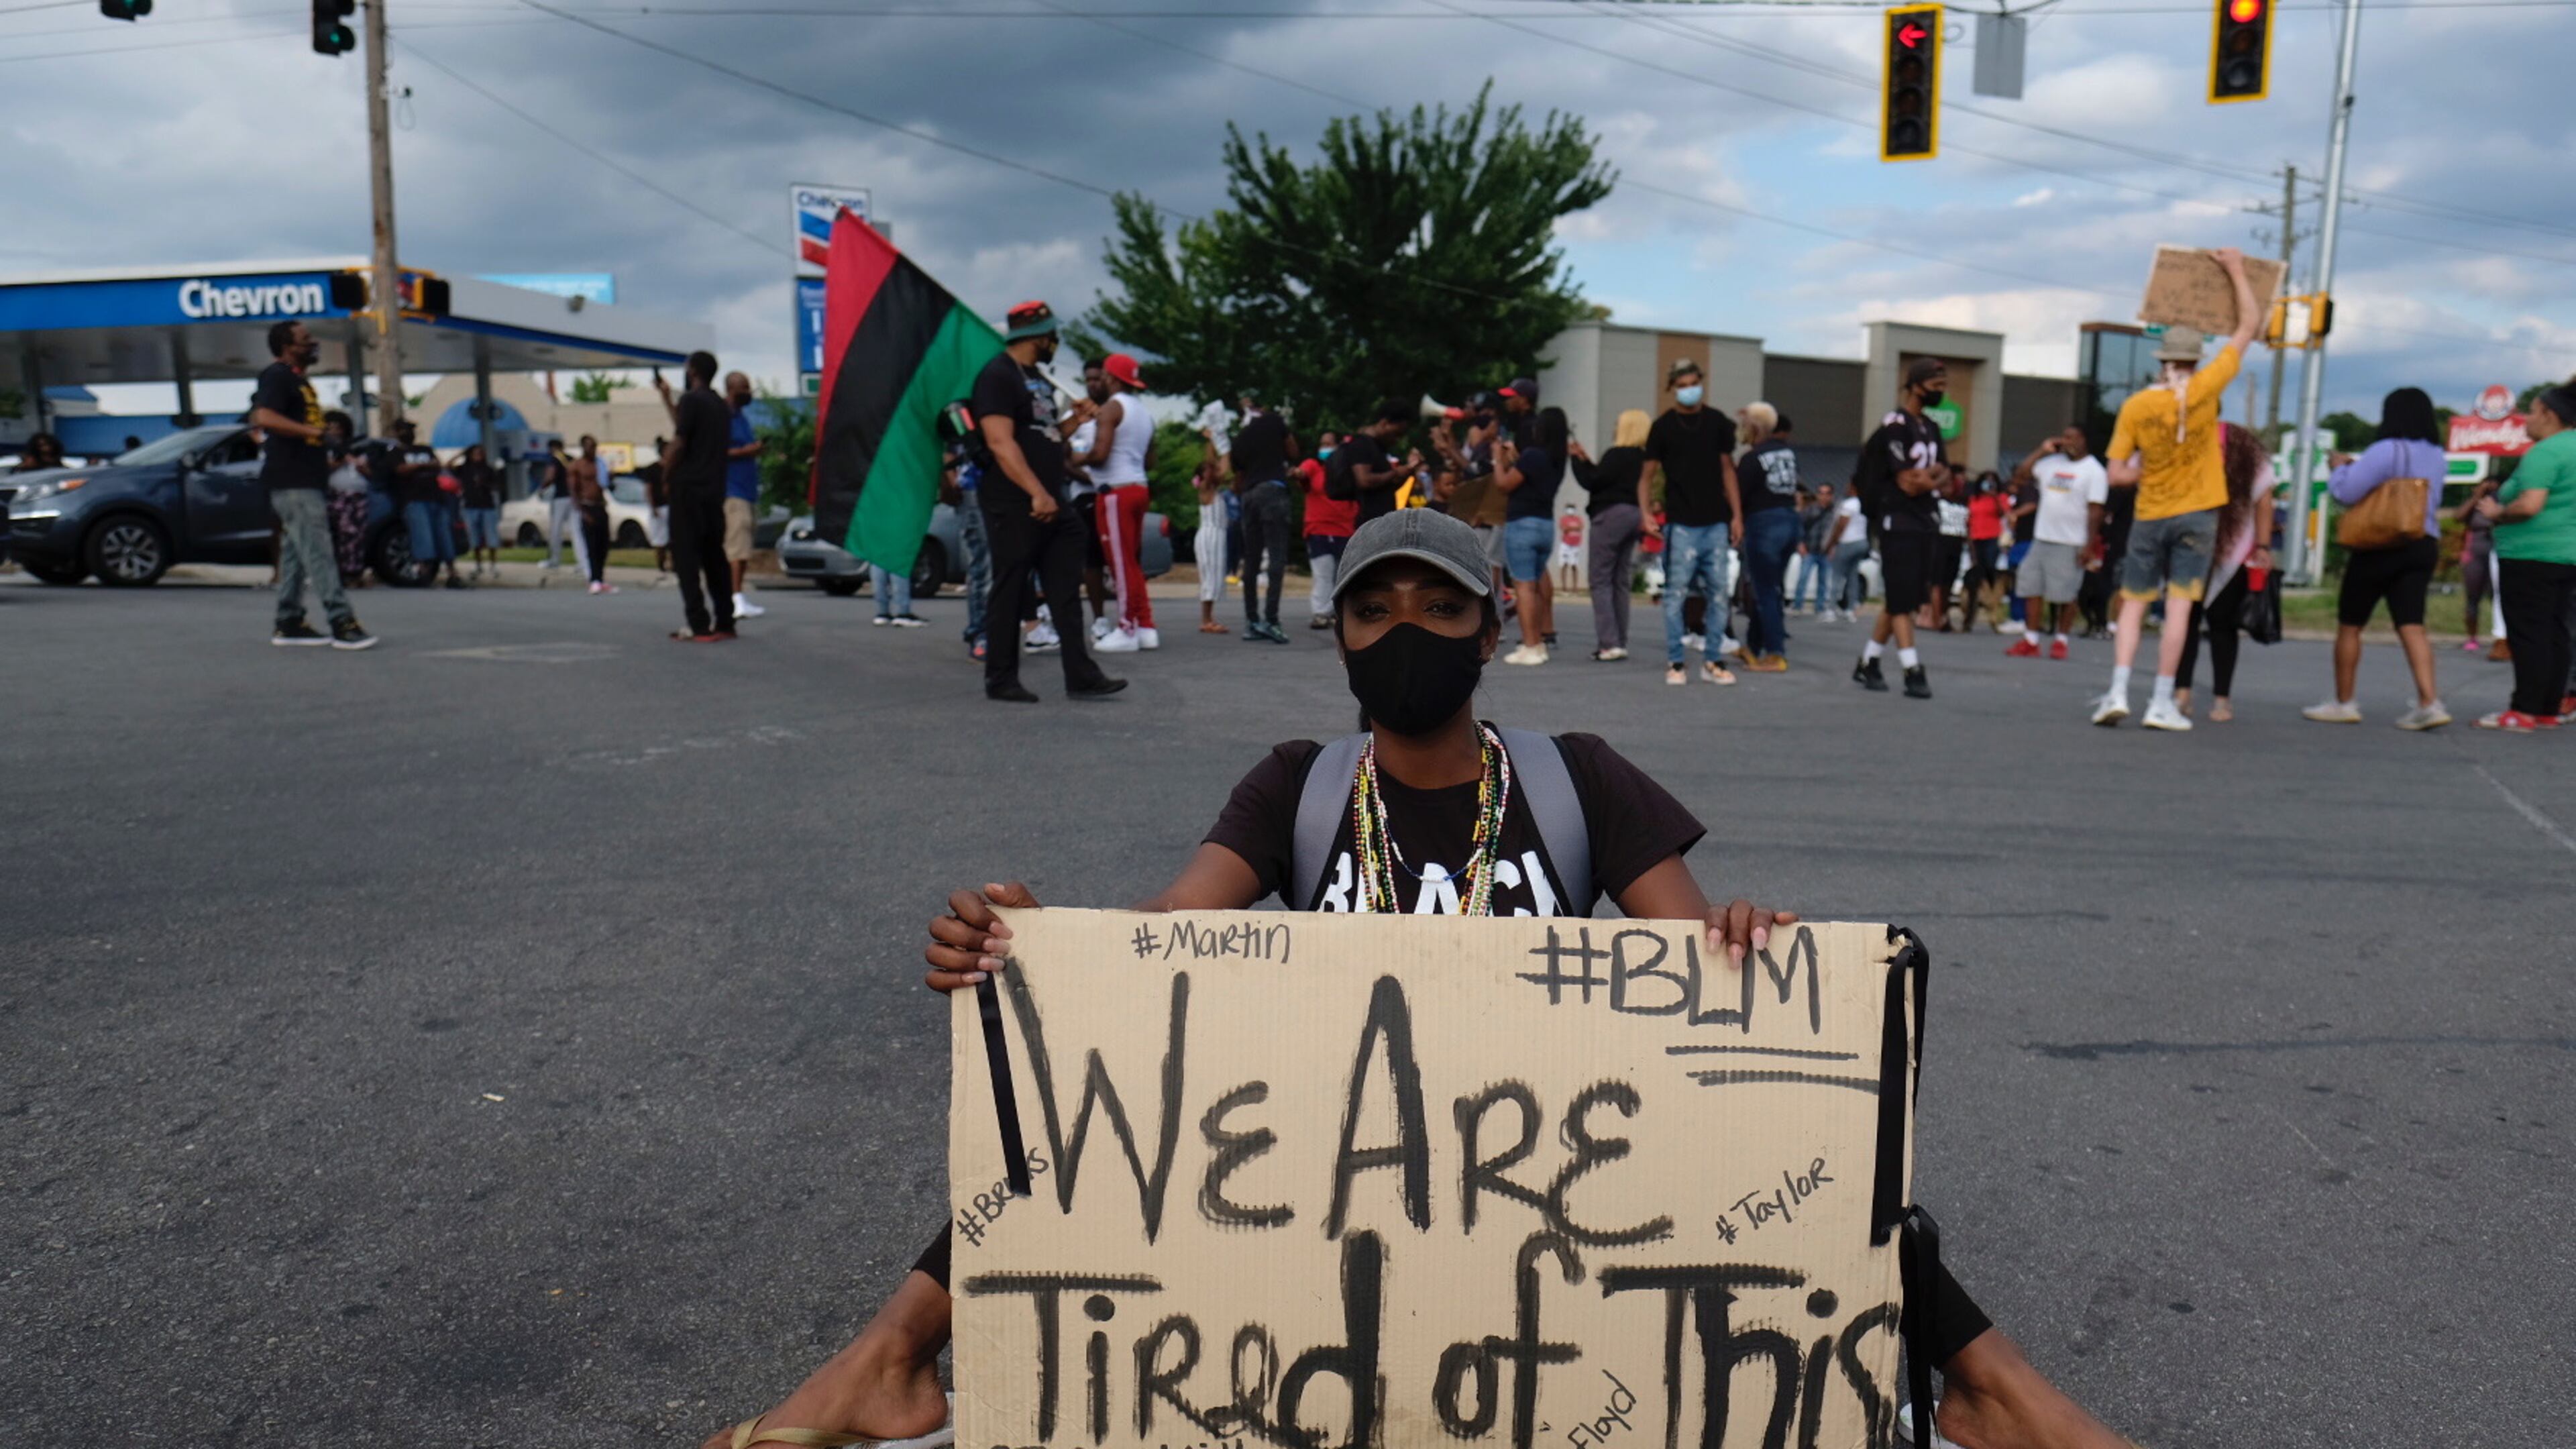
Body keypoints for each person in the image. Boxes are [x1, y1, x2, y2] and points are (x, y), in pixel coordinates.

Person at [700, 509, 2141, 1449]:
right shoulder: (1296, 786)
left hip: (1555, 1171)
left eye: (1437, 605)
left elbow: (1700, 998)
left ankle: (1986, 1383)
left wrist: (1750, 949)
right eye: (1372, 605)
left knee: (1817, 1129)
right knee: (1092, 1109)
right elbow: (1150, 963)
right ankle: (892, 1360)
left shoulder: (1581, 781)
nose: (1405, 629)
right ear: (1336, 635)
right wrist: (1030, 951)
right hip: (1333, 1165)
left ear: (1490, 629)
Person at [2091, 248, 2263, 731]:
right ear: (2194, 359)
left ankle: (2118, 692)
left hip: (2150, 514)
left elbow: (2116, 474)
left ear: (2162, 360)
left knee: (2133, 604)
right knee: (2180, 610)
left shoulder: (2136, 407)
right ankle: (2162, 702)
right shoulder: (2208, 388)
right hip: (2199, 514)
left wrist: (2150, 470)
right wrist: (2235, 271)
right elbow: (2249, 326)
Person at [971, 301, 1125, 702]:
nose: (1056, 343)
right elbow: (1000, 442)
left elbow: (1042, 434)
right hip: (1016, 501)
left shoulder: (1035, 378)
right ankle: (1001, 678)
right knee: (1011, 586)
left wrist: (1076, 422)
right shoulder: (997, 376)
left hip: (1053, 501)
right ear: (1038, 337)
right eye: (1052, 336)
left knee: (1063, 589)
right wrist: (1035, 492)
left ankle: (1081, 674)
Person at [2302, 387, 2451, 729]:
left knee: (2351, 624)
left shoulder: (2386, 449)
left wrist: (2339, 468)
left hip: (2380, 545)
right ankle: (2430, 702)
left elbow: (2346, 492)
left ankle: (2344, 701)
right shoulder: (2436, 455)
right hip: (2422, 542)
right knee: (2412, 624)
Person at [246, 321, 374, 649]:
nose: (313, 343)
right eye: (306, 340)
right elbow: (265, 417)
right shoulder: (277, 375)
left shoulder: (299, 381)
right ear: (287, 346)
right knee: (319, 551)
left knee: (296, 554)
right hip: (293, 480)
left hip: (305, 479)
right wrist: (314, 433)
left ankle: (289, 621)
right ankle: (342, 622)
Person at [2475, 384, 2576, 731]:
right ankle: (2549, 708)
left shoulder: (2544, 453)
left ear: (2551, 414)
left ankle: (2524, 710)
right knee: (2556, 632)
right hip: (2569, 554)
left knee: (2528, 633)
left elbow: (2530, 504)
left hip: (2531, 553)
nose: (2525, 419)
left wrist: (2497, 511)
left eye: (2532, 412)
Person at [1849, 358, 1950, 700]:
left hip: (1925, 519)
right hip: (1897, 518)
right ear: (1916, 385)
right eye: (1936, 387)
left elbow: (1947, 475)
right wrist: (1930, 476)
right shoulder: (1895, 424)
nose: (1941, 393)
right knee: (1901, 599)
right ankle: (1912, 670)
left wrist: (1931, 477)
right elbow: (1908, 482)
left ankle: (1869, 662)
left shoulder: (1932, 428)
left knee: (1901, 598)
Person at [1642, 358, 1741, 686]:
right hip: (1681, 521)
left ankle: (1713, 659)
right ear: (1673, 388)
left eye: (1693, 383)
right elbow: (1647, 476)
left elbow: (1728, 470)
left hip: (1715, 521)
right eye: (1682, 385)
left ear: (1701, 383)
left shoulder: (1717, 423)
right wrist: (1646, 513)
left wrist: (1737, 515)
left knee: (1718, 593)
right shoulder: (1663, 427)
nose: (1689, 390)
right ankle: (1676, 661)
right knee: (1675, 594)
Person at [2171, 423, 2275, 723]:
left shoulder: (2241, 446)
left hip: (2232, 548)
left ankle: (2201, 695)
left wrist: (2263, 546)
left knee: (2208, 624)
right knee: (2203, 623)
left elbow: (2264, 501)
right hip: (2192, 544)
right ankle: (2202, 697)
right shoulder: (2184, 440)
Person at [1074, 353, 1159, 651]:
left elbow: (1100, 455)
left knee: (1119, 565)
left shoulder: (1112, 409)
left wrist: (1077, 458)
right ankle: (1145, 625)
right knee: (1132, 563)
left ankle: (1127, 629)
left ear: (1110, 377)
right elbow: (1151, 458)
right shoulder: (1144, 413)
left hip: (1115, 492)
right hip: (1138, 486)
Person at [2005, 425, 2106, 661]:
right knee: (2031, 588)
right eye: (2066, 437)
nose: (2068, 441)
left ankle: (2061, 640)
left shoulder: (2094, 471)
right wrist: (2042, 450)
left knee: (2065, 594)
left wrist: (2089, 545)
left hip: (2071, 540)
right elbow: (2021, 475)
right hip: (2042, 537)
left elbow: (2095, 511)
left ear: (2085, 441)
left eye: (2074, 438)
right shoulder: (2051, 463)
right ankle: (2031, 640)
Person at [657, 352, 739, 642]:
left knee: (686, 558)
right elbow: (687, 425)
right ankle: (726, 621)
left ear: (692, 371)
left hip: (688, 489)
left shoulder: (692, 400)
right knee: (714, 556)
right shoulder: (720, 405)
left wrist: (666, 473)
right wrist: (667, 398)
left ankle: (699, 623)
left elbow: (680, 441)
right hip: (714, 490)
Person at [1496, 405, 1568, 664]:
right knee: (1536, 584)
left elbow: (1504, 484)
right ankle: (1539, 640)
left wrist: (1498, 459)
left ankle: (1531, 645)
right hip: (1545, 524)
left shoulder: (1533, 455)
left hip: (1522, 523)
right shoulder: (1557, 459)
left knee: (1523, 586)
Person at [1576, 407, 1648, 659]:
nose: (1615, 428)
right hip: (1634, 514)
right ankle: (1620, 639)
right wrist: (1587, 461)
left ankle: (1608, 642)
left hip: (1610, 514)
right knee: (1621, 579)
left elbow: (1594, 481)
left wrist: (1577, 461)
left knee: (1600, 578)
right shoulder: (1643, 458)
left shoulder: (1617, 454)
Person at [1733, 400, 1800, 672]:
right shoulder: (1786, 453)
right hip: (1790, 521)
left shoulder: (1752, 458)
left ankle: (1775, 652)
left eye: (1745, 424)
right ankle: (1753, 645)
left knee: (1764, 591)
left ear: (1755, 428)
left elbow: (1739, 494)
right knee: (1769, 588)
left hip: (1763, 524)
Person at [1229, 392, 1297, 644]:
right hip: (1273, 490)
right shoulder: (1274, 421)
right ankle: (1272, 620)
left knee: (1252, 560)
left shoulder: (1239, 439)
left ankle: (1251, 621)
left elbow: (1238, 481)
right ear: (1264, 406)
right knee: (1276, 557)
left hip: (1249, 496)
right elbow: (1293, 451)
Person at [388, 419, 464, 589]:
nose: (408, 433)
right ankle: (424, 572)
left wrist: (416, 466)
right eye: (403, 430)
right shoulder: (394, 452)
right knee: (423, 535)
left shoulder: (425, 449)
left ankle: (452, 573)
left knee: (444, 534)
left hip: (436, 498)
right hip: (413, 500)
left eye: (410, 430)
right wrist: (423, 465)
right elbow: (401, 470)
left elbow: (437, 465)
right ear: (397, 433)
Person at [720, 372, 768, 620]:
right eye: (744, 388)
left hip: (747, 491)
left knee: (745, 546)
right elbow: (718, 451)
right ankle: (734, 598)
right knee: (737, 547)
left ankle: (738, 596)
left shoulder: (742, 418)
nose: (749, 393)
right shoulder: (724, 416)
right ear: (731, 389)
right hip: (733, 490)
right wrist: (748, 451)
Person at [1301, 429, 1357, 630]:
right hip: (1319, 529)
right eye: (1322, 444)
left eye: (1329, 444)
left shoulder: (1350, 469)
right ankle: (1320, 613)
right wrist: (1296, 473)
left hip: (1345, 529)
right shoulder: (1313, 466)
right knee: (1323, 573)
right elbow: (1301, 473)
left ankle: (1339, 612)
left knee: (1342, 575)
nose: (1324, 448)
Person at [323, 412, 372, 586]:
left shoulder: (357, 447)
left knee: (353, 535)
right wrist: (341, 460)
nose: (334, 431)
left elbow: (371, 472)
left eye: (338, 428)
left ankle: (353, 572)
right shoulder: (325, 449)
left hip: (357, 495)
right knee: (335, 534)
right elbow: (324, 469)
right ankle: (335, 573)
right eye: (330, 428)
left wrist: (358, 464)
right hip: (335, 494)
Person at [1191, 445, 1230, 635]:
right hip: (1209, 536)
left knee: (1214, 577)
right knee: (1209, 577)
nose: (1214, 470)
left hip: (1217, 536)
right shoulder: (1206, 488)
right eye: (1209, 470)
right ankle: (1206, 620)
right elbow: (1214, 464)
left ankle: (1209, 617)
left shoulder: (1214, 489)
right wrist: (1211, 442)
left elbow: (1221, 466)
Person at [570, 435, 616, 596]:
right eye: (590, 446)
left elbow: (608, 486)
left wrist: (611, 479)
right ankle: (594, 580)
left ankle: (601, 579)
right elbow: (574, 491)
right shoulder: (577, 466)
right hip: (587, 507)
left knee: (603, 545)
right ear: (583, 447)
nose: (593, 450)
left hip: (601, 506)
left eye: (595, 446)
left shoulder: (600, 464)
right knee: (591, 545)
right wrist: (582, 511)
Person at [1962, 471, 2008, 631]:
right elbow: (1969, 519)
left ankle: (1992, 607)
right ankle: (1971, 612)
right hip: (1976, 538)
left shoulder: (1999, 497)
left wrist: (1995, 497)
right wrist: (1969, 540)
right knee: (1976, 575)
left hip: (1991, 538)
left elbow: (2003, 514)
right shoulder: (1974, 498)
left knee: (1989, 570)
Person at [1821, 483, 1870, 623]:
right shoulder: (1865, 503)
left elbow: (1841, 525)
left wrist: (1832, 543)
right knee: (1853, 576)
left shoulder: (1849, 504)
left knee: (1836, 576)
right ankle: (1850, 609)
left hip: (1847, 542)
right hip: (1862, 541)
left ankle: (1830, 609)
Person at [455, 443, 502, 578]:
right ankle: (478, 564)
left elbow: (497, 486)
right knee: (474, 537)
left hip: (487, 506)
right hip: (471, 506)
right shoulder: (464, 469)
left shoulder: (488, 469)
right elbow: (446, 467)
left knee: (491, 536)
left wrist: (484, 484)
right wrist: (460, 454)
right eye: (476, 453)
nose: (479, 456)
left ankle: (493, 565)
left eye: (481, 453)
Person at [1931, 473, 1970, 632]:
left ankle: (1944, 614)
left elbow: (1968, 527)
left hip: (1957, 544)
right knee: (1937, 583)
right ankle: (1936, 618)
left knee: (1949, 584)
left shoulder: (1962, 503)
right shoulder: (1937, 503)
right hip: (1941, 543)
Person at [638, 436, 672, 574]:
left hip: (672, 506)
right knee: (660, 540)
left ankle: (673, 564)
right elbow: (649, 490)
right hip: (659, 507)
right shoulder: (652, 469)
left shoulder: (675, 467)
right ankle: (661, 564)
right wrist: (653, 507)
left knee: (674, 538)